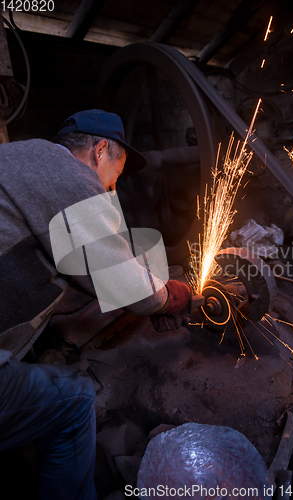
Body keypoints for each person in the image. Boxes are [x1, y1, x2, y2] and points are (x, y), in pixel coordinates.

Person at [0, 109, 192, 500]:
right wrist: (171, 295)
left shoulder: (16, 158)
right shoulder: (68, 176)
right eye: (114, 178)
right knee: (73, 400)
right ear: (100, 150)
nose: (109, 191)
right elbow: (131, 291)